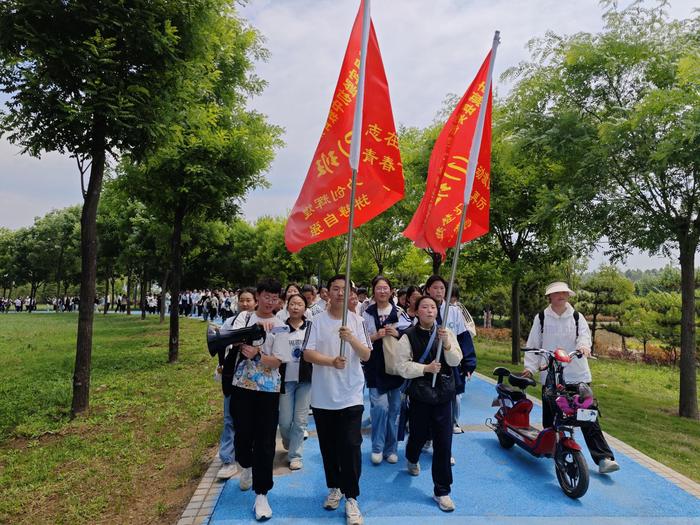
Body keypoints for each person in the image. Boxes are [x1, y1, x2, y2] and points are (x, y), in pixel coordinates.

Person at [522, 281, 620, 474]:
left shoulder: (577, 317)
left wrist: (584, 346)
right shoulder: (541, 318)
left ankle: (603, 458)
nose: (562, 296)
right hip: (551, 375)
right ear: (550, 297)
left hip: (577, 374)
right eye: (557, 293)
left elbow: (584, 336)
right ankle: (555, 448)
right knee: (551, 416)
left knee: (587, 414)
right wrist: (530, 368)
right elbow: (534, 344)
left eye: (564, 293)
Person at [303, 275, 372, 525]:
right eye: (336, 289)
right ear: (327, 293)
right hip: (323, 396)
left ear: (352, 294)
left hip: (351, 393)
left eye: (346, 289)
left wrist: (351, 338)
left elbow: (366, 355)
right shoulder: (316, 321)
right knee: (329, 447)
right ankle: (335, 487)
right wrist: (331, 361)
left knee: (351, 445)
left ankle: (351, 497)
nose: (340, 293)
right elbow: (308, 354)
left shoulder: (359, 321)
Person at [395, 295, 462, 512]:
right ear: (417, 311)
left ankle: (442, 490)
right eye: (424, 307)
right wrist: (424, 369)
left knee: (443, 442)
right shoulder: (408, 336)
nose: (429, 311)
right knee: (418, 434)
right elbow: (401, 366)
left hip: (443, 394)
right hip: (420, 395)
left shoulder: (446, 333)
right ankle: (412, 456)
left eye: (433, 307)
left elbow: (455, 361)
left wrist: (448, 344)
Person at [229, 279, 289, 521]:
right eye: (266, 296)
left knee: (265, 440)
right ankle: (246, 464)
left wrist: (258, 354)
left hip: (268, 389)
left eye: (275, 298)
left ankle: (262, 494)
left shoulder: (281, 326)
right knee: (242, 434)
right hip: (242, 386)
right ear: (258, 296)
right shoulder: (242, 319)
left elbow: (278, 361)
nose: (270, 301)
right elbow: (224, 342)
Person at [424, 275, 477, 436]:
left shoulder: (454, 312)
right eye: (435, 287)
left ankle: (450, 425)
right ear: (428, 289)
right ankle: (428, 435)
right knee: (428, 399)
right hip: (430, 363)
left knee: (452, 397)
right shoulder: (423, 309)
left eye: (442, 288)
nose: (439, 291)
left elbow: (464, 338)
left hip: (450, 363)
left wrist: (469, 363)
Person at [215, 287, 258, 481]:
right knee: (229, 418)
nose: (245, 303)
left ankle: (250, 457)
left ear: (255, 302)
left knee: (251, 420)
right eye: (242, 300)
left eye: (249, 300)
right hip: (232, 375)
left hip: (253, 379)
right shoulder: (229, 322)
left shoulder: (262, 321)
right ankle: (227, 459)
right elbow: (219, 347)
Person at [362, 276, 403, 465]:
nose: (382, 291)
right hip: (375, 367)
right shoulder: (367, 313)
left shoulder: (399, 312)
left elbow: (409, 337)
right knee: (379, 408)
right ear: (373, 291)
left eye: (385, 288)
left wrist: (398, 333)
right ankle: (377, 448)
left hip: (395, 367)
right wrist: (375, 336)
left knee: (394, 410)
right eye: (379, 288)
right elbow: (361, 340)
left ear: (391, 290)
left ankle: (391, 448)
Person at [276, 293, 313, 470]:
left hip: (305, 380)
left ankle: (295, 455)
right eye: (293, 304)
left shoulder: (311, 328)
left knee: (300, 420)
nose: (296, 307)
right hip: (285, 380)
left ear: (305, 308)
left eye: (300, 304)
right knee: (284, 421)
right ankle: (288, 441)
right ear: (287, 306)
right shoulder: (280, 328)